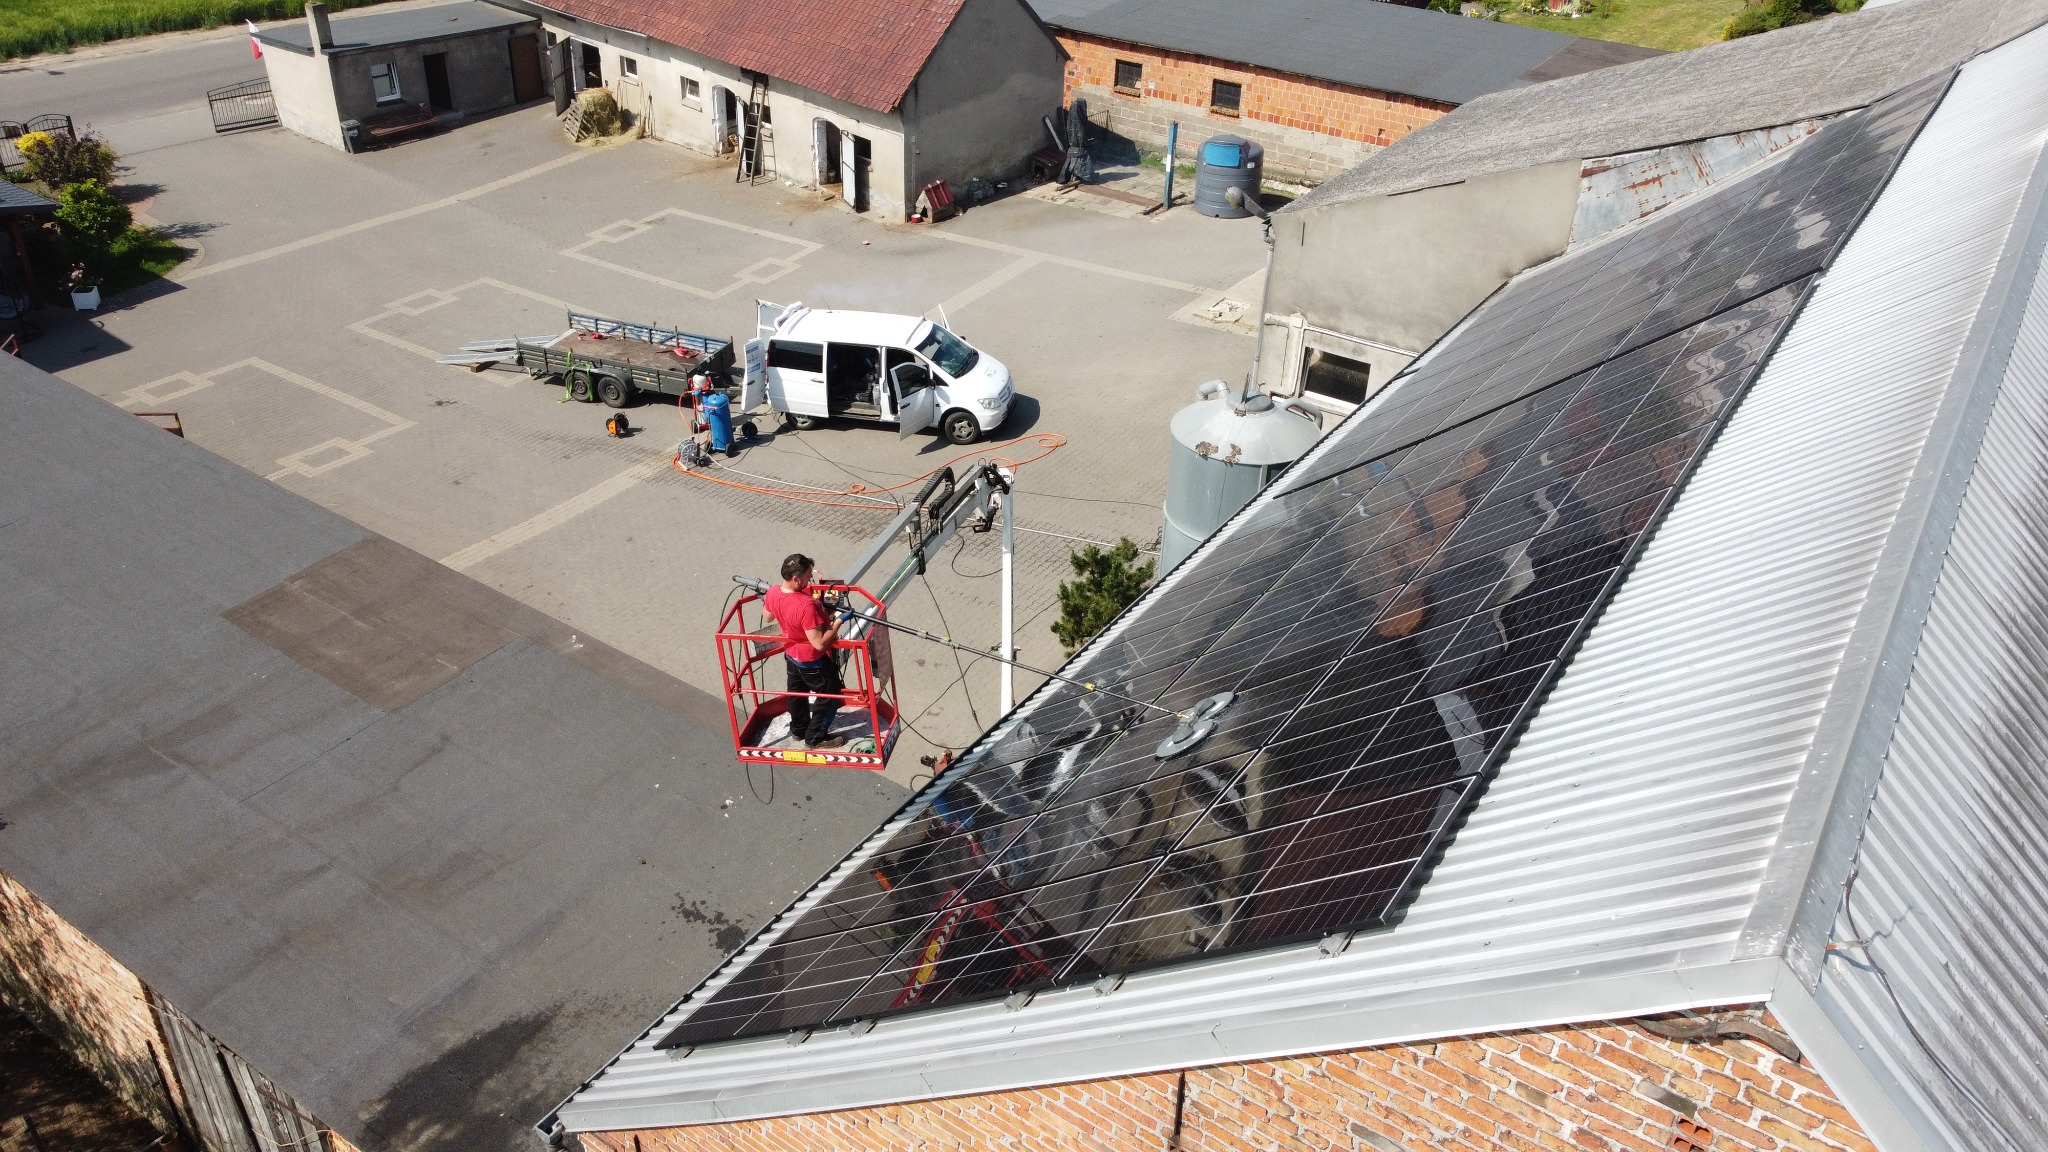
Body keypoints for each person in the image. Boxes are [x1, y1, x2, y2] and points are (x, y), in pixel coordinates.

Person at [763, 553, 847, 749]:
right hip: (812, 660)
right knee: (829, 692)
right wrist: (837, 623)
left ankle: (799, 730)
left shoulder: (774, 592)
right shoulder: (805, 605)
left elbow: (767, 617)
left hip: (791, 655)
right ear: (796, 578)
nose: (810, 581)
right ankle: (815, 737)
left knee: (797, 693)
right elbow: (818, 644)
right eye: (808, 576)